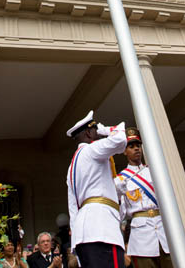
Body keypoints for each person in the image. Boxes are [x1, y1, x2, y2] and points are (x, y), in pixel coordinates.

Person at [66, 110, 126, 267]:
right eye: (95, 130)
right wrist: (106, 129)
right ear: (88, 133)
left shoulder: (71, 167)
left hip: (82, 235)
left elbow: (73, 208)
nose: (98, 133)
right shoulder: (92, 150)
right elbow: (120, 139)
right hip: (103, 229)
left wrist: (75, 244)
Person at [114, 127, 172, 268]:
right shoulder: (120, 179)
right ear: (124, 151)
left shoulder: (153, 171)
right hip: (141, 235)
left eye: (138, 146)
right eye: (131, 146)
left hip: (163, 230)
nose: (136, 149)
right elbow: (120, 215)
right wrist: (119, 195)